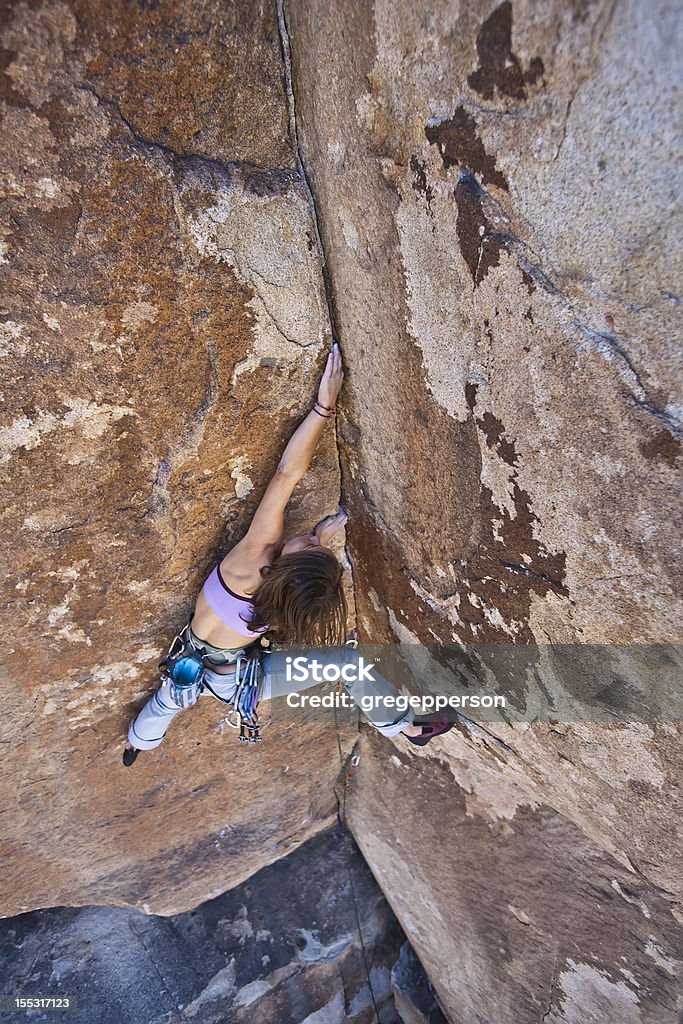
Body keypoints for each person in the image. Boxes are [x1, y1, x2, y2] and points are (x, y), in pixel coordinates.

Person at [123, 343, 452, 765]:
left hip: (193, 659)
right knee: (346, 665)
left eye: (310, 548)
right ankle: (406, 727)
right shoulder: (282, 607)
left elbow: (286, 476)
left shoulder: (251, 559)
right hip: (241, 680)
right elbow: (295, 573)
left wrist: (322, 409)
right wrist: (319, 538)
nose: (309, 539)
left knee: (168, 700)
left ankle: (137, 745)